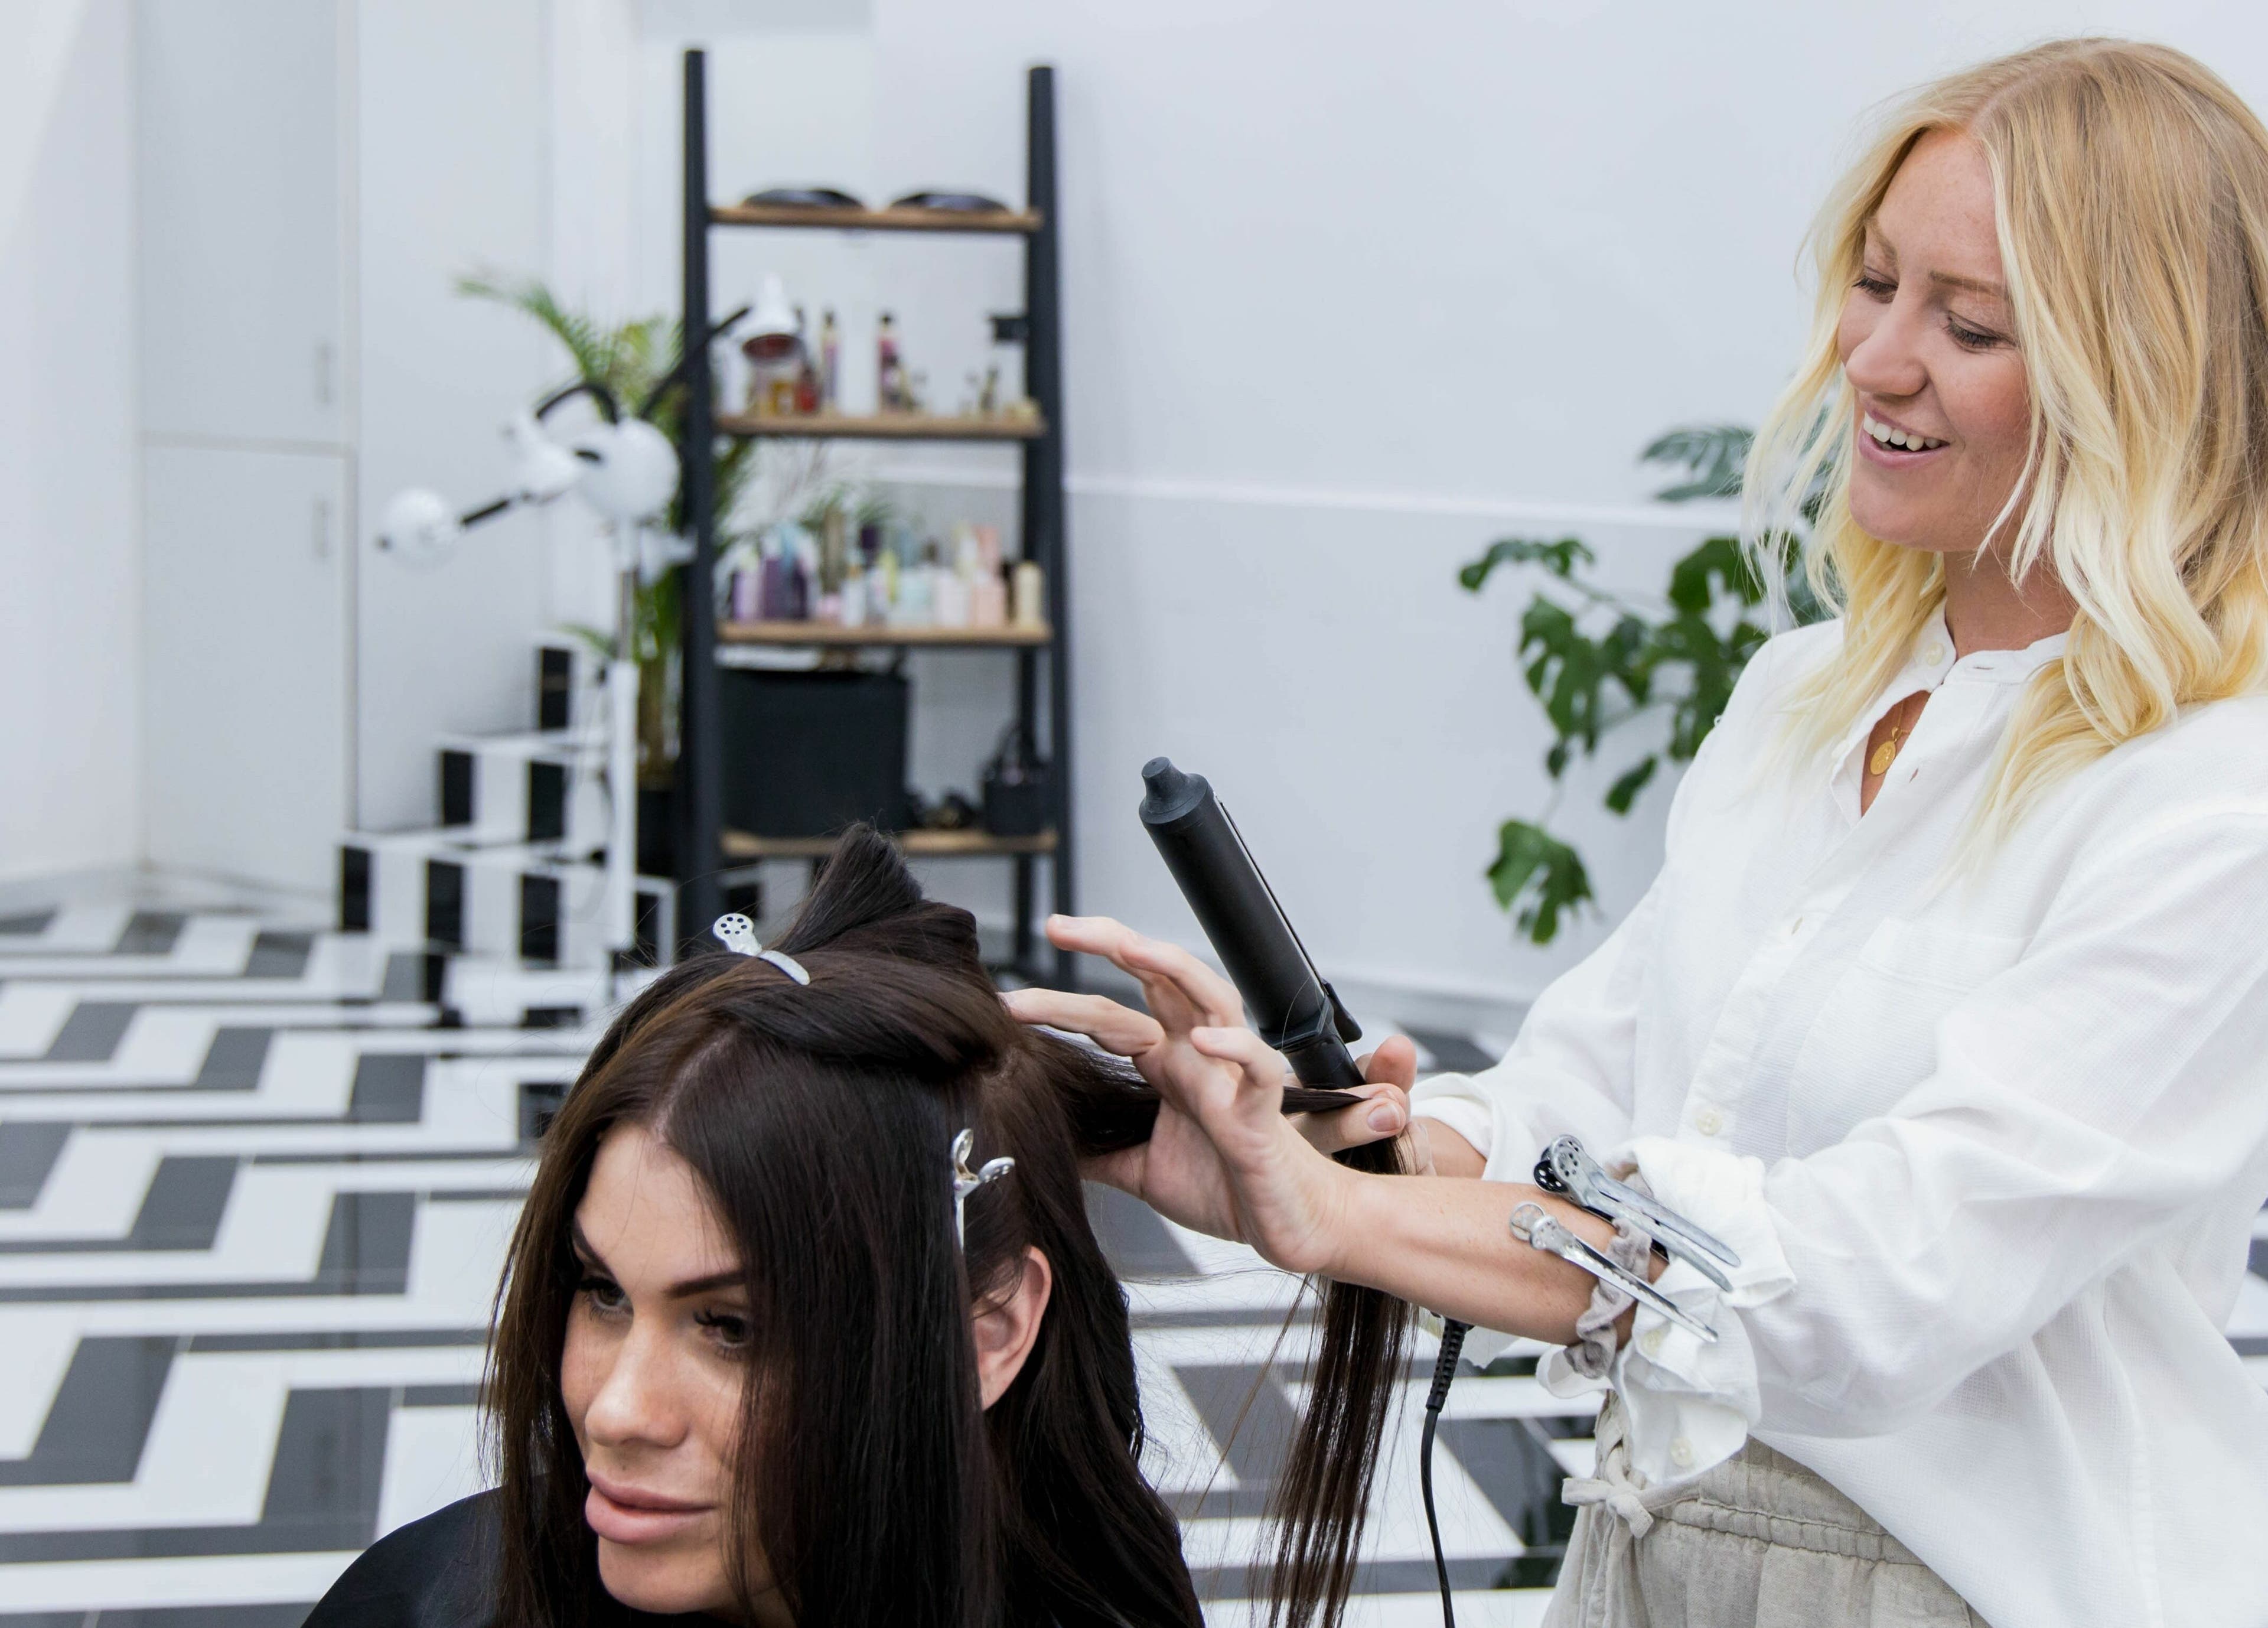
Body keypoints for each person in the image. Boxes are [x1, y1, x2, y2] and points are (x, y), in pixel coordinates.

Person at [1010, 38, 2268, 1628]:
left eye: (1969, 324)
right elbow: (1585, 1093)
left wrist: (1357, 1219)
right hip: (1653, 1539)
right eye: (1873, 282)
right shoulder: (1806, 697)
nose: (1876, 358)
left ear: (2140, 376)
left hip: (1984, 1584)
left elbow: (1873, 1279)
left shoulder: (2214, 800)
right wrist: (1329, 1133)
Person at [309, 827, 1398, 1628]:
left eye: (732, 1327)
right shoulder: (421, 1603)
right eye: (601, 1293)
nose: (619, 1410)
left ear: (989, 1334)